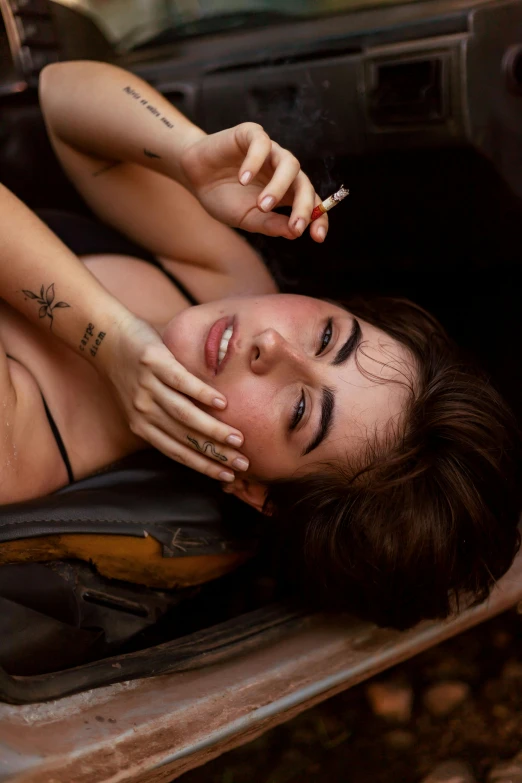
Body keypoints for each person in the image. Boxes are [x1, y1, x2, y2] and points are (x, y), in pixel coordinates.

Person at [0, 61, 518, 630]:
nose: (273, 344)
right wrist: (186, 153)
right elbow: (62, 93)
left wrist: (105, 338)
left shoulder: (13, 450)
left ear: (253, 489)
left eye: (299, 410)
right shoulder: (230, 285)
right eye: (328, 337)